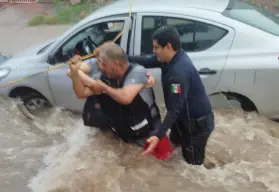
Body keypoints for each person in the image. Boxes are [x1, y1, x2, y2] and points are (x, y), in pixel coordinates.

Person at [128, 25, 215, 165]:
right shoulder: (171, 57)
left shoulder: (178, 74)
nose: (153, 51)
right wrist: (122, 58)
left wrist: (158, 135)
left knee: (192, 167)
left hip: (195, 127)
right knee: (174, 151)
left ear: (168, 46)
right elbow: (146, 60)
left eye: (156, 47)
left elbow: (174, 109)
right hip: (182, 121)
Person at [67, 42, 164, 147]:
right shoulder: (105, 77)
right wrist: (75, 74)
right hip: (122, 135)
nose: (101, 68)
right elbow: (81, 94)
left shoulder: (137, 71)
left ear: (116, 64)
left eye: (104, 64)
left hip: (150, 134)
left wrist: (103, 87)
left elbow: (126, 98)